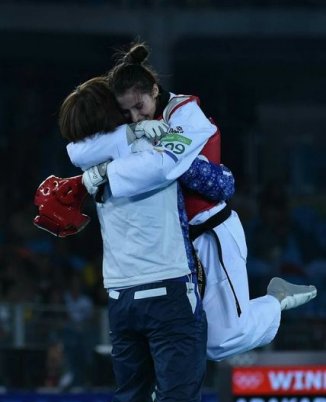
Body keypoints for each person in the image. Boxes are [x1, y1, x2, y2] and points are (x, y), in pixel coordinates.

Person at [65, 42, 317, 364]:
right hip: (173, 249)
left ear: (153, 90)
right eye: (125, 112)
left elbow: (160, 166)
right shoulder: (134, 123)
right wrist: (133, 132)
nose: (133, 115)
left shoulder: (186, 113)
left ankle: (274, 301)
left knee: (223, 341)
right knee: (187, 337)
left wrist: (102, 171)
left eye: (139, 107)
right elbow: (76, 151)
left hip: (212, 232)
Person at [59, 76, 217, 402]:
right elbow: (197, 141)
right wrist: (142, 131)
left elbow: (76, 150)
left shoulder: (89, 160)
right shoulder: (149, 144)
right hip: (169, 294)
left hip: (121, 299)